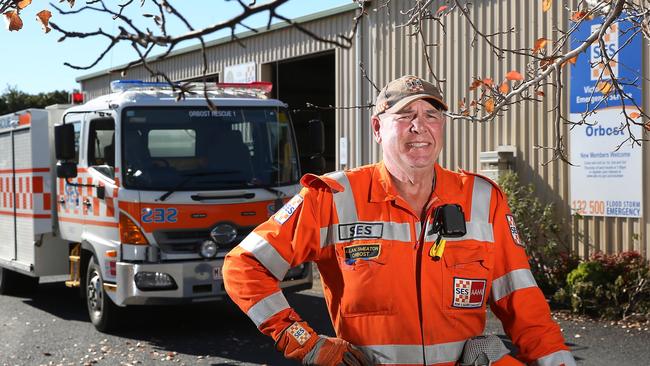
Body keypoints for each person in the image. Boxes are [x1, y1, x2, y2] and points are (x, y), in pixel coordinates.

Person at [223, 75, 576, 366]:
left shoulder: (483, 199)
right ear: (378, 128)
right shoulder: (332, 197)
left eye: (431, 115)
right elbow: (243, 267)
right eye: (404, 115)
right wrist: (306, 342)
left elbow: (523, 302)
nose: (419, 127)